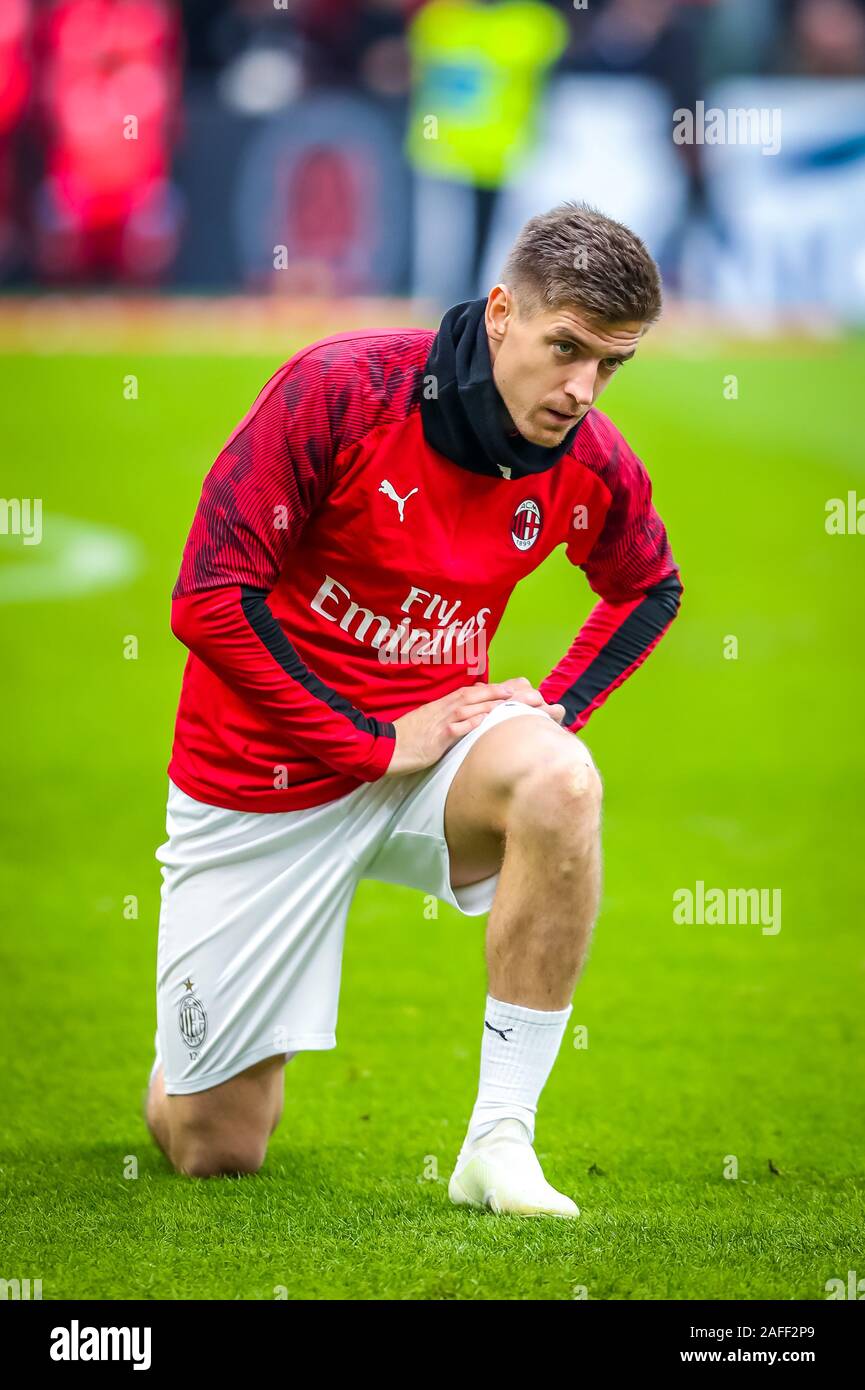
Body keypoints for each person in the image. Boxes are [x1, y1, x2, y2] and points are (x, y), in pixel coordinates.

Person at [145, 201, 683, 1217]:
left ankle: (499, 1142)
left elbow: (647, 585)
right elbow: (209, 597)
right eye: (566, 348)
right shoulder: (338, 392)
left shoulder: (588, 457)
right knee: (214, 1147)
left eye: (610, 364)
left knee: (560, 779)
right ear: (500, 313)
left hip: (434, 757)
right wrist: (367, 740)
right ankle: (188, 1051)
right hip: (261, 778)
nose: (581, 388)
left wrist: (559, 702)